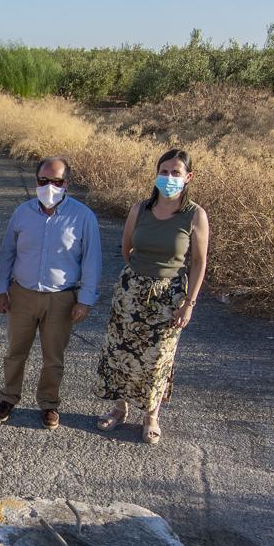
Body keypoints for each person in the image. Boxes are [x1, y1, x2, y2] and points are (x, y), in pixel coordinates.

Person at [94, 148, 209, 443]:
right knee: (121, 351)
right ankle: (119, 409)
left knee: (158, 358)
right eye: (164, 171)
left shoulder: (195, 215)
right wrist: (138, 279)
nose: (169, 177)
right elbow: (126, 248)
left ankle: (151, 416)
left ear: (188, 177)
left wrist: (189, 303)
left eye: (176, 173)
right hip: (131, 291)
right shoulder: (140, 209)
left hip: (169, 295)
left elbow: (199, 263)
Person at [0, 157, 102, 430]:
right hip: (22, 295)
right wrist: (1, 290)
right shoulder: (22, 212)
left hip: (61, 298)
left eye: (56, 181)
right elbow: (7, 253)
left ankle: (49, 403)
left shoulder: (83, 216)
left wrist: (85, 300)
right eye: (43, 180)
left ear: (67, 184)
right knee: (15, 352)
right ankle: (8, 397)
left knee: (53, 357)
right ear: (36, 181)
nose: (49, 187)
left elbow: (91, 260)